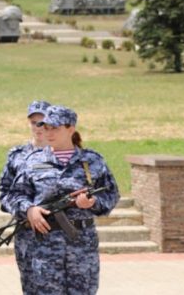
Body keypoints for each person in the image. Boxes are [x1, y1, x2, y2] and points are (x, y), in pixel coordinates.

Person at [9, 105, 120, 295]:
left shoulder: (92, 161)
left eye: (56, 128)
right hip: (45, 244)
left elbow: (111, 194)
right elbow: (15, 194)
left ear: (71, 129)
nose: (49, 133)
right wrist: (29, 210)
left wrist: (93, 203)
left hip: (81, 245)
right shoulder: (32, 160)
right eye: (47, 127)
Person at [0, 100, 51, 294]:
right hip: (28, 236)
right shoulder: (17, 155)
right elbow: (4, 193)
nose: (38, 127)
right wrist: (26, 209)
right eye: (33, 122)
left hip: (59, 234)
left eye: (42, 122)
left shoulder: (63, 154)